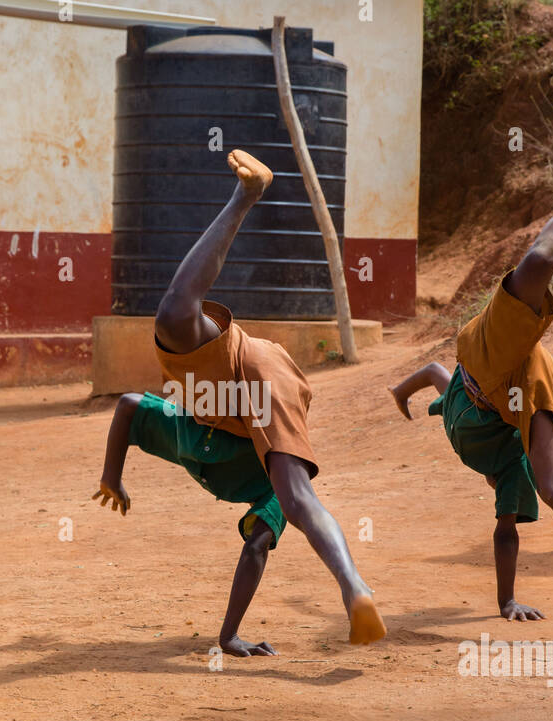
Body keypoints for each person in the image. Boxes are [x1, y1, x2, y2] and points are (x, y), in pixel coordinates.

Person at [92, 149, 386, 647]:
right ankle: (354, 588)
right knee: (297, 496)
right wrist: (111, 478)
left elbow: (129, 408)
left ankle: (246, 195)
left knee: (172, 317)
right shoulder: (238, 466)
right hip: (244, 389)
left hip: (256, 371)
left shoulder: (183, 431)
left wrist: (113, 478)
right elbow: (126, 407)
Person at [389, 140, 553, 642]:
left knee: (543, 254)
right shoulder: (501, 450)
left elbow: (432, 374)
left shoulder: (471, 405)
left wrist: (401, 394)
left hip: (510, 372)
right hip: (527, 380)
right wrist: (403, 392)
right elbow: (433, 373)